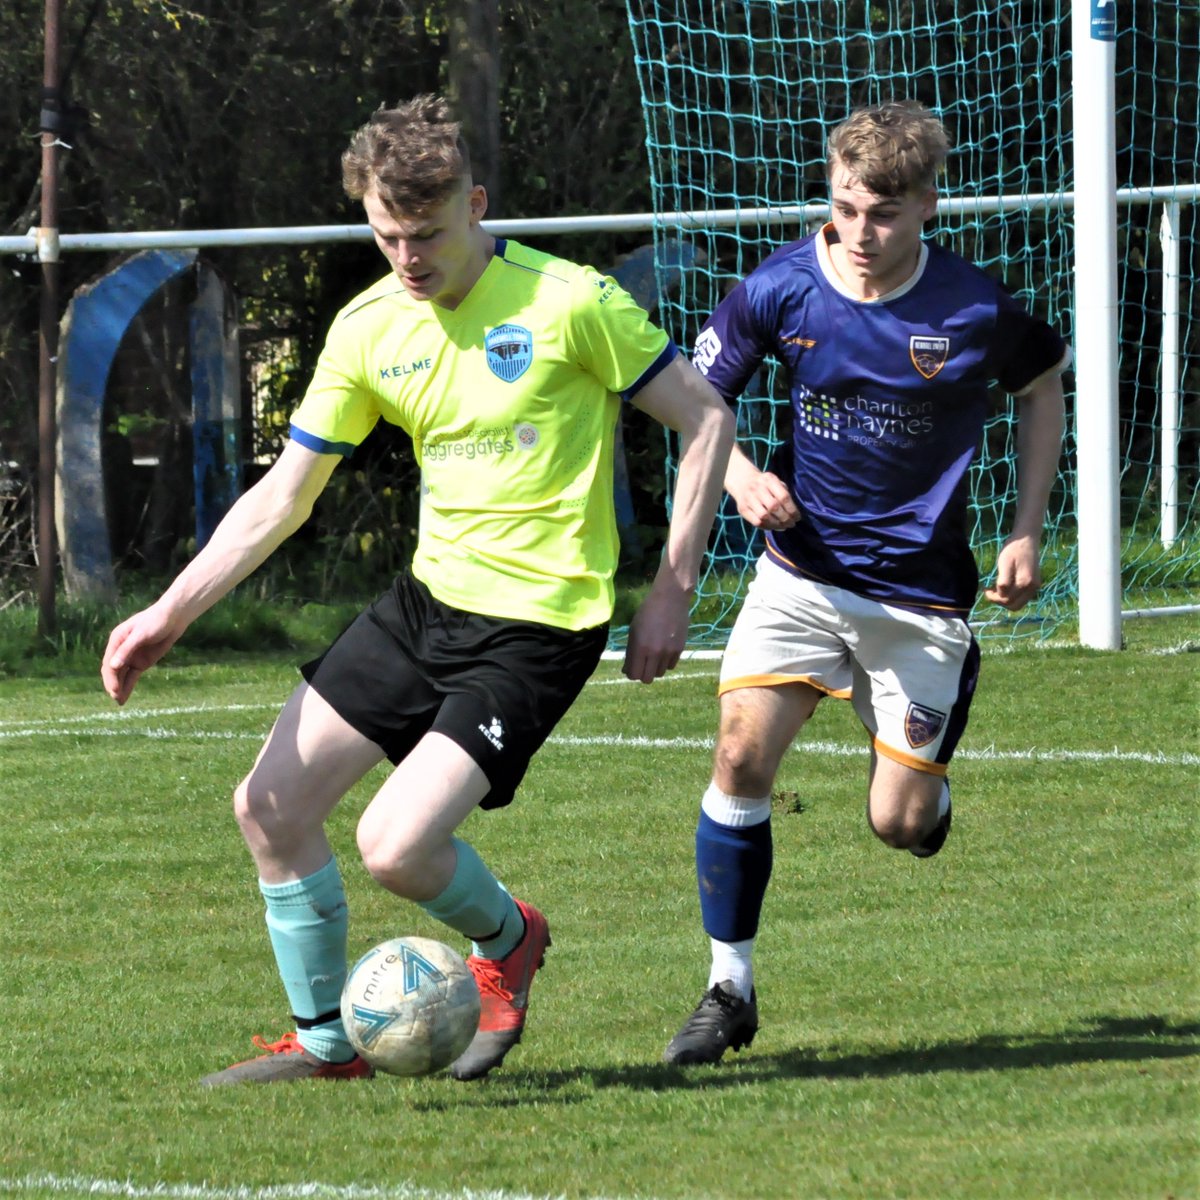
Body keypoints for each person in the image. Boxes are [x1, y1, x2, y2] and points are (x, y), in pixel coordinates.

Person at [101, 94, 734, 1085]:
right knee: (267, 805)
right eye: (387, 234)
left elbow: (703, 417)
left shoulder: (569, 302)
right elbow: (285, 496)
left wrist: (672, 586)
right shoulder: (368, 329)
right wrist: (168, 614)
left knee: (394, 846)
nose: (408, 257)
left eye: (428, 234)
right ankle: (323, 1042)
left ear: (476, 205)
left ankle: (509, 940)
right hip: (425, 605)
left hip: (540, 624)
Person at [662, 101, 1069, 1065]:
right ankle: (729, 988)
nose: (858, 232)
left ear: (928, 204)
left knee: (899, 823)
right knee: (738, 761)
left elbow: (1043, 384)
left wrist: (1025, 531)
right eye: (844, 205)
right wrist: (740, 473)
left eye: (882, 212)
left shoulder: (974, 308)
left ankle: (923, 796)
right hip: (800, 578)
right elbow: (698, 397)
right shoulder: (783, 288)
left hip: (918, 604)